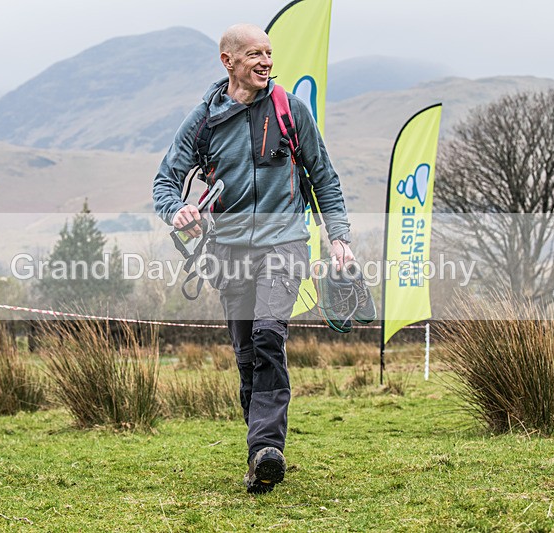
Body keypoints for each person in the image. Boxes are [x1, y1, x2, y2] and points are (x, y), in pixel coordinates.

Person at [153, 23, 355, 494]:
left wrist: (337, 236)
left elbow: (324, 176)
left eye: (269, 53)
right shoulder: (203, 120)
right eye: (253, 54)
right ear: (228, 62)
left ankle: (269, 447)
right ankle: (260, 455)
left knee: (268, 335)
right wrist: (178, 210)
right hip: (225, 251)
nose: (265, 61)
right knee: (246, 353)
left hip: (284, 242)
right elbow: (165, 181)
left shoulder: (289, 109)